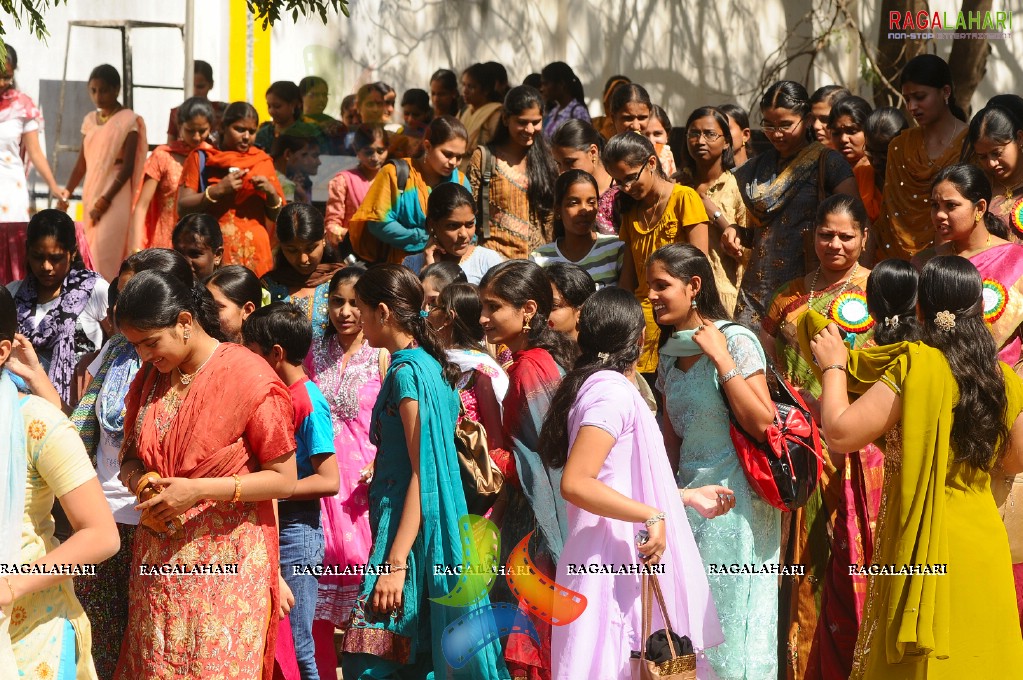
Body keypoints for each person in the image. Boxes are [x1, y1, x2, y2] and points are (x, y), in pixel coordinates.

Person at [804, 255, 1023, 678]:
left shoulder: (917, 365)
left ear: (922, 308)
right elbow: (1014, 460)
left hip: (926, 543)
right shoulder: (1002, 377)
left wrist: (833, 367)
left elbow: (841, 433)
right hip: (983, 543)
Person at [113, 268, 298, 678]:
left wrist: (196, 491)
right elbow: (129, 458)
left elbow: (284, 479)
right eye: (135, 345)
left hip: (227, 568)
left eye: (149, 342)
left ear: (183, 322)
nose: (143, 355)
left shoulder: (248, 376)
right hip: (158, 569)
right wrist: (141, 482)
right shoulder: (150, 379)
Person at [542, 287, 728, 679]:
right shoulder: (610, 393)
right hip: (609, 559)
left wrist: (684, 497)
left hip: (617, 551)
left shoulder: (601, 388)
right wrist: (652, 513)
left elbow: (616, 479)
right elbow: (577, 483)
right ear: (640, 341)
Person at [339, 264, 508, 678]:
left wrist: (394, 565)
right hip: (416, 530)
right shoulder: (430, 365)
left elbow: (422, 473)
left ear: (382, 312)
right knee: (418, 654)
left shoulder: (407, 374)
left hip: (404, 535)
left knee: (374, 661)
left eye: (360, 308)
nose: (356, 319)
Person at [649, 243, 780, 680]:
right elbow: (670, 444)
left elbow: (764, 422)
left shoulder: (737, 340)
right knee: (689, 627)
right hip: (690, 503)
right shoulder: (668, 355)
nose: (650, 294)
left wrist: (722, 357)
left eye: (661, 284)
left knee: (731, 623)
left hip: (738, 502)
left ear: (694, 286)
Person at [760, 194, 875, 680]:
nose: (835, 244)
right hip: (797, 444)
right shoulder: (788, 294)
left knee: (852, 554)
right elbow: (764, 365)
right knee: (800, 560)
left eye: (847, 235)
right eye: (826, 234)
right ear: (812, 236)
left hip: (861, 443)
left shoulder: (878, 291)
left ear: (865, 237)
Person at [69, 248, 195, 680]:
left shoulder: (185, 363)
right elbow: (80, 428)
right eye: (119, 296)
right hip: (100, 521)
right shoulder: (118, 350)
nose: (120, 308)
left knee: (154, 651)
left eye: (131, 294)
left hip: (157, 523)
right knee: (98, 648)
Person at [804, 258, 918, 679]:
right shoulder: (928, 359)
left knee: (853, 604)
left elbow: (838, 432)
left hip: (864, 492)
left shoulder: (863, 361)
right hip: (912, 496)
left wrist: (833, 368)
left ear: (870, 305)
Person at [0, 285, 120, 680]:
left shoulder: (38, 424)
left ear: (2, 352)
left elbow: (102, 535)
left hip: (32, 636)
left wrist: (11, 585)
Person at [478, 259, 574, 679]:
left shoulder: (531, 367)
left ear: (528, 310)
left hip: (536, 518)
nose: (483, 318)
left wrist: (486, 455)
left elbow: (544, 457)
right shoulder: (539, 358)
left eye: (493, 307)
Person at [243, 302, 340, 680]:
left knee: (300, 649)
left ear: (275, 354)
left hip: (297, 533)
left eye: (252, 352)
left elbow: (328, 479)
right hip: (278, 528)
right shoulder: (282, 395)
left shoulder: (306, 400)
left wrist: (276, 488)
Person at [303, 266, 387, 677]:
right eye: (338, 301)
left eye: (356, 303)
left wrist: (383, 461)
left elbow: (397, 420)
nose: (346, 311)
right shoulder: (311, 352)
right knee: (314, 582)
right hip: (321, 482)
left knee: (366, 588)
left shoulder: (384, 354)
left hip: (364, 489)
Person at [721, 80, 857, 328]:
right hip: (756, 288)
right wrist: (737, 231)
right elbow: (763, 231)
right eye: (768, 125)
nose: (776, 133)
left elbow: (855, 223)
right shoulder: (756, 168)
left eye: (785, 125)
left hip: (807, 283)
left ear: (806, 120)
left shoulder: (829, 163)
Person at [603, 131, 709, 377]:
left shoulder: (684, 198)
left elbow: (701, 269)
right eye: (618, 182)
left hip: (680, 321)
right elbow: (628, 281)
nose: (626, 187)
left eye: (630, 177)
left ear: (651, 163)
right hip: (640, 327)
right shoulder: (630, 213)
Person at [911, 164, 1023, 366]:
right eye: (935, 205)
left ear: (980, 208)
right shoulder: (923, 262)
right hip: (937, 378)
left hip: (1002, 382)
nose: (939, 215)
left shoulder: (1017, 261)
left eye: (951, 206)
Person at [870, 54, 968, 260]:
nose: (912, 106)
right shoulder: (899, 146)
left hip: (957, 259)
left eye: (920, 97)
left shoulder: (970, 143)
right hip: (896, 260)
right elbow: (890, 215)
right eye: (907, 99)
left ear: (946, 92)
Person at [7, 209, 109, 406]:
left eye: (55, 258)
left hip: (77, 410)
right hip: (22, 408)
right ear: (27, 252)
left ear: (72, 254)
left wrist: (93, 364)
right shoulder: (12, 294)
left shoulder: (94, 291)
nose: (46, 266)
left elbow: (119, 341)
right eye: (38, 257)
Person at [58, 64, 148, 282]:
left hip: (116, 193)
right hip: (92, 190)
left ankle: (110, 305)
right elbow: (82, 163)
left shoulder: (128, 120)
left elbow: (127, 168)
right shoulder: (90, 120)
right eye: (93, 90)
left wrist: (106, 199)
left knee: (107, 250)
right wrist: (67, 192)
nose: (98, 96)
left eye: (104, 90)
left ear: (116, 89)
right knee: (89, 249)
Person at [177, 101, 285, 277]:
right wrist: (217, 190)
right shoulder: (202, 157)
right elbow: (182, 206)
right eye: (240, 129)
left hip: (256, 255)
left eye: (252, 131)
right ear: (222, 127)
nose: (246, 137)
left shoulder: (262, 161)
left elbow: (277, 217)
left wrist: (271, 193)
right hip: (216, 252)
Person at [427, 281, 514, 489]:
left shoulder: (481, 373)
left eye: (434, 306)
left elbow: (495, 444)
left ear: (449, 317)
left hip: (473, 488)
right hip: (439, 478)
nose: (428, 313)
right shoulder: (436, 365)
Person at [349, 115, 470, 264]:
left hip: (449, 268)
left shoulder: (460, 181)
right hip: (402, 268)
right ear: (427, 146)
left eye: (459, 157)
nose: (453, 162)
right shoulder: (395, 174)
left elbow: (470, 224)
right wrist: (425, 238)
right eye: (447, 154)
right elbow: (378, 222)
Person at [469, 85, 559, 260]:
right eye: (522, 122)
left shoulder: (547, 160)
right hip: (494, 260)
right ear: (505, 119)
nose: (530, 129)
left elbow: (549, 219)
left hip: (536, 262)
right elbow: (470, 210)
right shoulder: (485, 158)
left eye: (536, 122)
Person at [677, 106, 748, 314]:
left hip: (723, 295)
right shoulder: (677, 186)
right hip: (680, 296)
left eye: (709, 134)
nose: (700, 141)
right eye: (694, 134)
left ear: (726, 141)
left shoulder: (737, 186)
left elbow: (747, 253)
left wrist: (716, 215)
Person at [131, 97, 214, 249]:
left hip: (201, 244)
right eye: (190, 130)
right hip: (165, 241)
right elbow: (142, 206)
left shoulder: (212, 157)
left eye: (202, 131)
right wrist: (136, 251)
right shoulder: (163, 156)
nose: (196, 137)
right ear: (179, 126)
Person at [0, 44, 67, 219]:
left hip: (9, 190)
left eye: (7, 78)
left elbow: (35, 153)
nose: (1, 83)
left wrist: (53, 187)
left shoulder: (23, 106)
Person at [262, 203, 342, 343]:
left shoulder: (343, 281)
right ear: (281, 246)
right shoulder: (267, 287)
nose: (303, 259)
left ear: (323, 239)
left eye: (310, 248)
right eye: (292, 250)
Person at [529, 170, 623, 289]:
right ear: (558, 210)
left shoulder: (616, 248)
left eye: (591, 202)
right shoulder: (540, 258)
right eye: (574, 203)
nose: (584, 210)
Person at [401, 182, 503, 283]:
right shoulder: (412, 265)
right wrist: (427, 270)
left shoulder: (487, 262)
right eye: (453, 226)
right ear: (432, 224)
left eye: (470, 224)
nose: (463, 234)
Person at [550, 119, 618, 234]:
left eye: (570, 162)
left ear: (592, 152)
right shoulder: (563, 192)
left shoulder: (621, 192)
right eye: (558, 164)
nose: (562, 172)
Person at [324, 125, 388, 246]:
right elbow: (332, 225)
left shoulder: (393, 179)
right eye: (369, 152)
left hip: (387, 251)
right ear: (357, 150)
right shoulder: (342, 181)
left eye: (381, 151)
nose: (375, 157)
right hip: (353, 250)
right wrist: (355, 237)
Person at [965, 105, 1023, 238]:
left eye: (997, 153)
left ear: (1019, 138)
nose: (991, 163)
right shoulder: (975, 189)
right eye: (983, 157)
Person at [828, 96, 881, 222]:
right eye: (836, 133)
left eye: (852, 131)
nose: (843, 139)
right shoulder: (827, 166)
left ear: (869, 130)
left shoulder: (879, 166)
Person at [166, 60, 227, 143]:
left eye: (200, 87)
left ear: (211, 85)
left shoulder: (222, 111)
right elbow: (171, 146)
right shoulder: (176, 113)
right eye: (191, 86)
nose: (195, 91)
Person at [458, 63, 503, 166]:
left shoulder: (495, 113)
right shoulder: (464, 111)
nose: (465, 91)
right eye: (463, 85)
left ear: (486, 90)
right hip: (458, 172)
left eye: (471, 87)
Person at [206, 264, 263, 343]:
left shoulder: (264, 353)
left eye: (217, 307)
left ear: (247, 310)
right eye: (205, 305)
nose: (206, 314)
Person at [543, 261, 596, 342]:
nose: (541, 315)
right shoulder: (530, 353)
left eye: (553, 306)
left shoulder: (602, 353)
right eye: (540, 305)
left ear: (581, 312)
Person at [539, 61, 591, 137]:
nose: (542, 89)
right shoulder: (554, 111)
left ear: (561, 85)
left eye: (546, 84)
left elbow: (584, 142)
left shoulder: (577, 112)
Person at [255, 80, 306, 151]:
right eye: (269, 106)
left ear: (293, 105)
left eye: (277, 106)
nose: (271, 111)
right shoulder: (263, 134)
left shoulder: (306, 133)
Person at [172, 213, 224, 280]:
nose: (186, 262)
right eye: (178, 254)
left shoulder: (227, 290)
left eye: (195, 254)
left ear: (217, 255)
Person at [300, 75, 344, 154]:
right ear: (301, 97)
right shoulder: (294, 123)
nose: (321, 99)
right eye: (315, 95)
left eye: (324, 95)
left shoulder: (332, 124)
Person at [591, 74, 630, 141]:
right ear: (606, 99)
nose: (619, 101)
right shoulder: (594, 125)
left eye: (625, 96)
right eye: (614, 97)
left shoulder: (639, 124)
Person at [644, 104, 677, 177]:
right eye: (645, 135)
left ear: (667, 136)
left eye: (657, 134)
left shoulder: (668, 155)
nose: (651, 141)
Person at [718, 103, 754, 168]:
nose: (720, 135)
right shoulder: (709, 175)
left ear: (745, 135)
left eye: (726, 129)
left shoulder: (760, 172)